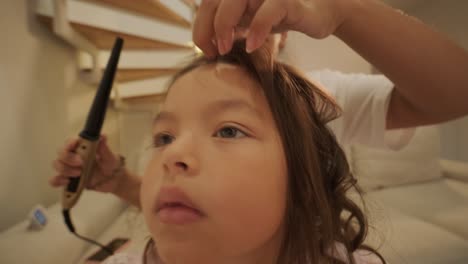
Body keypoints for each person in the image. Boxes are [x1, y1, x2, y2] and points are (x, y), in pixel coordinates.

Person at [49, 0, 468, 261]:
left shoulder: (314, 94)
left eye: (229, 130)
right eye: (164, 137)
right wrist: (121, 182)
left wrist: (342, 10)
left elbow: (457, 91)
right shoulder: (187, 97)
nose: (174, 153)